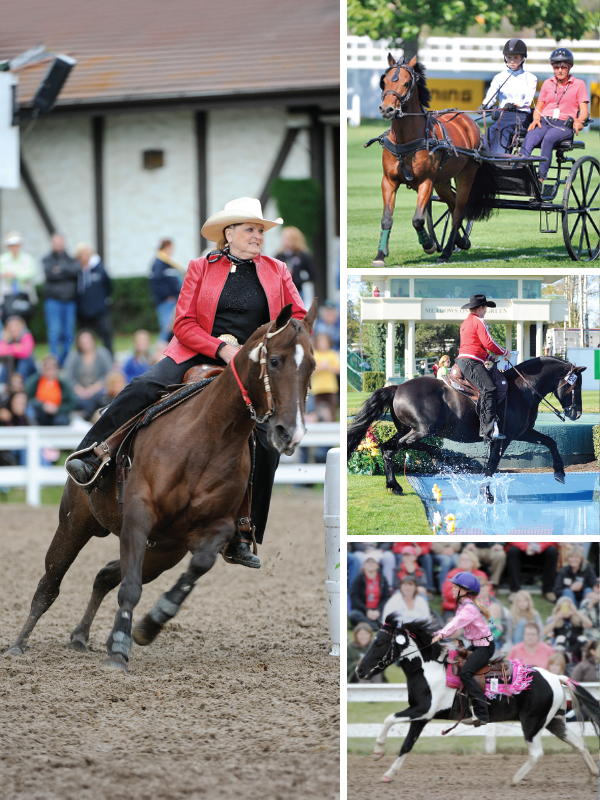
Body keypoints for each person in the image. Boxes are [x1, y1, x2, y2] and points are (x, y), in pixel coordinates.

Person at [64, 197, 305, 569]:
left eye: (261, 230)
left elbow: (298, 318)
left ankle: (244, 531)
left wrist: (272, 346)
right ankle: (93, 453)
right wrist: (220, 350)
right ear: (229, 233)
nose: (259, 235)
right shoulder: (200, 267)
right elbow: (183, 324)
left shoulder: (278, 270)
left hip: (255, 366)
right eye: (251, 229)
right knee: (142, 387)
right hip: (197, 353)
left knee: (267, 443)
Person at [520, 48, 589, 191]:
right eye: (556, 66)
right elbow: (539, 105)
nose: (560, 70)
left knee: (549, 139)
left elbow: (584, 112)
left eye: (563, 66)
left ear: (569, 66)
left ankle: (540, 179)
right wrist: (536, 118)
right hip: (544, 121)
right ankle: (520, 173)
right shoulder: (547, 83)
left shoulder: (579, 84)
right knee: (531, 137)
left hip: (563, 125)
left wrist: (578, 121)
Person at [432, 572, 494, 725]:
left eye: (455, 587)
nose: (452, 589)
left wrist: (440, 635)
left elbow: (455, 624)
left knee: (466, 673)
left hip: (484, 647)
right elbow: (454, 625)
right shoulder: (464, 606)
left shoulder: (469, 609)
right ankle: (465, 708)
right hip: (476, 645)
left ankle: (482, 714)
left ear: (464, 591)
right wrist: (436, 634)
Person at [456, 295, 509, 442]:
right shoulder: (479, 320)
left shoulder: (465, 323)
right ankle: (488, 430)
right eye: (485, 308)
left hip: (464, 360)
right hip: (472, 362)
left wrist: (490, 357)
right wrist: (505, 352)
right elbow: (489, 343)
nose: (485, 311)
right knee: (490, 389)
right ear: (480, 308)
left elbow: (475, 345)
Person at [480, 39, 537, 154]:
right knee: (489, 132)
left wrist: (516, 105)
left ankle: (501, 160)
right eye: (509, 58)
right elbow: (491, 95)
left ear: (522, 58)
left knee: (504, 132)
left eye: (515, 58)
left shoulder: (531, 78)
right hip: (503, 115)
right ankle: (486, 160)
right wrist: (484, 105)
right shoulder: (499, 77)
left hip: (520, 117)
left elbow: (528, 101)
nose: (512, 61)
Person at [42, 234, 79, 366]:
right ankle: (54, 360)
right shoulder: (47, 259)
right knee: (55, 331)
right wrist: (65, 271)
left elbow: (75, 271)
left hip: (69, 300)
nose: (58, 245)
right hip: (53, 300)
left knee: (68, 331)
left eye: (60, 242)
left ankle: (67, 360)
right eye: (55, 242)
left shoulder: (71, 259)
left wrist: (60, 269)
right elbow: (50, 274)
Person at [63, 329, 113, 421]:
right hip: (79, 391)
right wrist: (78, 388)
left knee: (102, 399)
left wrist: (95, 387)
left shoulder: (103, 354)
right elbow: (68, 376)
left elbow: (109, 373)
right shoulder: (74, 356)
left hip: (98, 389)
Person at [75, 243, 113, 355]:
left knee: (106, 333)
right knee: (85, 336)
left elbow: (108, 285)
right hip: (83, 311)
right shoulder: (77, 271)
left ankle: (109, 357)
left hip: (100, 308)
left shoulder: (99, 268)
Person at [26, 354, 77, 426]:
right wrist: (43, 405)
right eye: (47, 367)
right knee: (31, 415)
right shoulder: (34, 381)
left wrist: (57, 409)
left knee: (61, 420)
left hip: (58, 413)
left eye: (53, 367)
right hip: (40, 412)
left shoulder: (63, 383)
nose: (50, 369)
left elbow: (72, 402)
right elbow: (27, 397)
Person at [149, 239, 184, 340]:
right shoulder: (159, 263)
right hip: (166, 302)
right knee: (166, 328)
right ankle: (160, 351)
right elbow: (156, 282)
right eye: (171, 248)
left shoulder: (167, 262)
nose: (173, 251)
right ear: (166, 248)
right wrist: (167, 296)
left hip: (172, 301)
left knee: (171, 328)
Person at [0, 232, 37, 322]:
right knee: (8, 321)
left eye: (16, 244)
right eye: (12, 245)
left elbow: (31, 273)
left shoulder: (27, 258)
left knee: (24, 320)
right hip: (7, 296)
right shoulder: (3, 259)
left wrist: (15, 275)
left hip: (24, 294)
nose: (14, 247)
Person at [349, 552, 391, 630]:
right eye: (368, 561)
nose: (370, 564)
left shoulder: (383, 579)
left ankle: (369, 626)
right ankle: (378, 627)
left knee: (390, 615)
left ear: (377, 565)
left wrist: (378, 611)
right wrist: (367, 611)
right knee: (353, 615)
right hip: (363, 612)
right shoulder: (358, 579)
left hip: (378, 611)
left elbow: (386, 597)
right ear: (364, 565)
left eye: (373, 562)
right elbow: (354, 598)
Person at [543, 596, 591, 661]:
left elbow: (589, 624)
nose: (567, 609)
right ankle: (560, 662)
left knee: (583, 639)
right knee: (561, 638)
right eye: (564, 606)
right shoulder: (555, 620)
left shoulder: (576, 619)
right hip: (560, 649)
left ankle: (584, 663)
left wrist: (576, 612)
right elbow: (544, 632)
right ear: (559, 608)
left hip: (575, 648)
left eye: (568, 606)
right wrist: (557, 619)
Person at [275, 227, 316, 302]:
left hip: (297, 291)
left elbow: (312, 274)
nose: (284, 241)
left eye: (287, 239)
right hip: (281, 291)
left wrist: (299, 280)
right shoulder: (279, 255)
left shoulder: (302, 255)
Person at [310, 333, 339, 417]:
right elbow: (310, 372)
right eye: (320, 342)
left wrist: (328, 367)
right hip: (317, 388)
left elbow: (338, 370)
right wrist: (320, 368)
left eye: (324, 342)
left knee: (331, 410)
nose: (323, 344)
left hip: (330, 387)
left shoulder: (332, 354)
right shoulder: (313, 354)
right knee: (317, 411)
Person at [0, 315, 36, 382]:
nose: (14, 328)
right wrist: (15, 347)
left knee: (24, 360)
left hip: (27, 367)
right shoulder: (5, 338)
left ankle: (18, 381)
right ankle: (3, 385)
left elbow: (25, 352)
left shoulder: (26, 335)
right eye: (11, 326)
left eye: (17, 325)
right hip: (11, 365)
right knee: (7, 363)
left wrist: (8, 348)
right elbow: (1, 352)